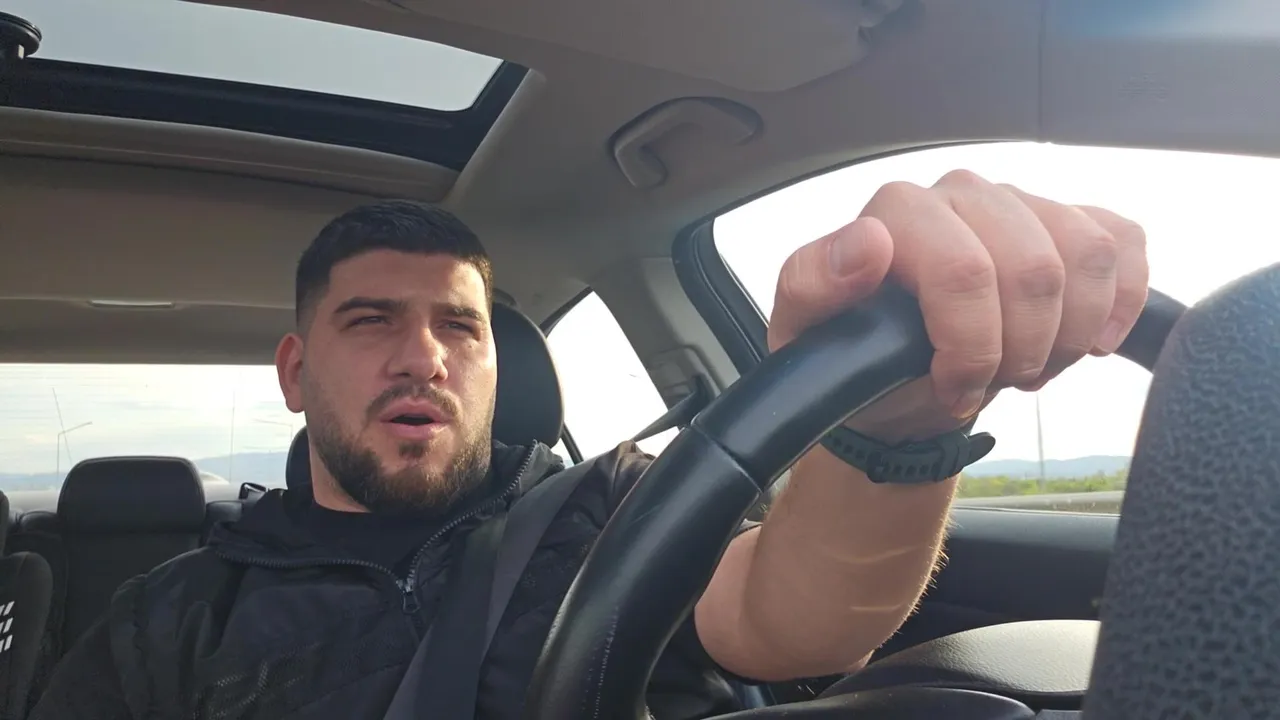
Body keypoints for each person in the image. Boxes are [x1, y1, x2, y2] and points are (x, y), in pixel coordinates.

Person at [30, 171, 1148, 719]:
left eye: (460, 327)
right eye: (370, 322)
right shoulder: (172, 614)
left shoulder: (609, 510)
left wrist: (893, 429)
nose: (422, 358)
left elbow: (794, 616)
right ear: (293, 371)